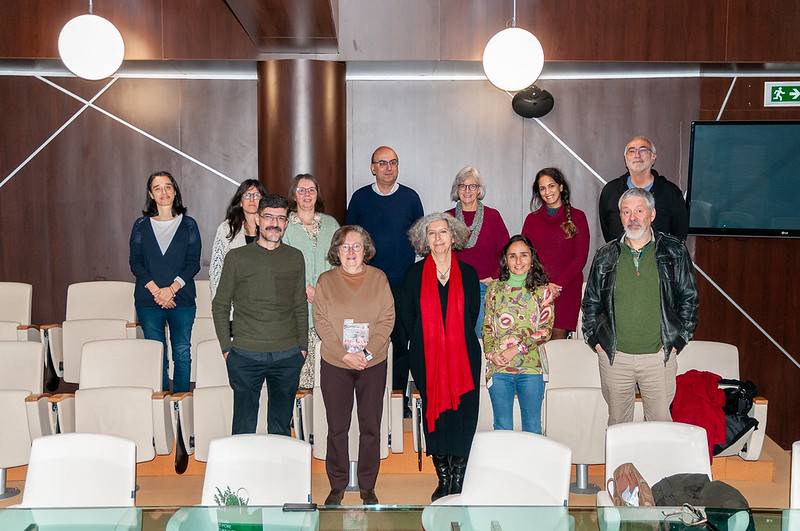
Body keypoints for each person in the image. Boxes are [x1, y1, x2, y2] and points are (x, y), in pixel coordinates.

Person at [582, 188, 698, 425]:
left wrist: (678, 342)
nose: (632, 217)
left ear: (652, 214)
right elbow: (591, 302)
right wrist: (596, 342)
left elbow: (689, 299)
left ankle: (656, 465)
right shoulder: (605, 255)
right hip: (616, 358)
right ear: (620, 217)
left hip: (659, 357)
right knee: (618, 426)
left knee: (660, 427)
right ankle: (620, 465)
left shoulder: (674, 251)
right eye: (626, 212)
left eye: (639, 210)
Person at [397, 213, 481, 502]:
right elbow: (407, 317)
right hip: (426, 354)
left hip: (464, 356)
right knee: (437, 412)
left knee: (463, 414)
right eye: (431, 233)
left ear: (453, 236)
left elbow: (471, 315)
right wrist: (429, 339)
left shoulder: (469, 274)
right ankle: (443, 478)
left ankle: (459, 477)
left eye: (442, 232)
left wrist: (451, 340)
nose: (437, 238)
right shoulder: (414, 275)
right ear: (424, 240)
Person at [211, 194, 307, 435]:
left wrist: (302, 347)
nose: (274, 223)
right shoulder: (237, 258)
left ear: (286, 222)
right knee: (243, 427)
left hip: (287, 355)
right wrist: (226, 348)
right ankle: (241, 473)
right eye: (268, 217)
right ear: (257, 219)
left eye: (281, 218)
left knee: (280, 427)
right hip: (245, 354)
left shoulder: (295, 257)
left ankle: (276, 472)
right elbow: (220, 304)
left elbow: (299, 304)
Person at [313, 226, 394, 506]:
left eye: (356, 246)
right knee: (337, 427)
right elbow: (321, 322)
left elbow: (387, 320)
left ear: (365, 250)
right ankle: (337, 485)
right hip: (336, 363)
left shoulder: (379, 279)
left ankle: (367, 485)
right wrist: (345, 354)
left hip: (373, 363)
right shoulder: (326, 280)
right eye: (345, 246)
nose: (350, 252)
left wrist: (367, 353)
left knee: (370, 426)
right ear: (336, 250)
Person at [347, 145, 424, 415]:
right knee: (369, 341)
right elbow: (350, 239)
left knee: (401, 342)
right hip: (368, 284)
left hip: (403, 283)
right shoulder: (359, 199)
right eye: (382, 163)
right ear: (373, 168)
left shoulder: (411, 198)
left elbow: (421, 239)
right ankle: (371, 401)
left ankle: (398, 400)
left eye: (393, 162)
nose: (388, 167)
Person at [129, 170, 201, 392]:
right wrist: (157, 292)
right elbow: (136, 263)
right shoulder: (141, 225)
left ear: (175, 191)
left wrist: (170, 290)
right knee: (157, 353)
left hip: (183, 299)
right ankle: (160, 404)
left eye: (168, 187)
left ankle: (181, 404)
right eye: (157, 188)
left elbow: (193, 263)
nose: (163, 192)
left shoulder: (189, 225)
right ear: (150, 194)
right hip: (149, 302)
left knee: (182, 352)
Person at [483, 235, 554, 434]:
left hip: (531, 367)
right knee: (502, 427)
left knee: (532, 427)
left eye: (524, 255)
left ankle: (531, 466)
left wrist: (516, 349)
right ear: (505, 260)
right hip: (499, 367)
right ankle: (505, 467)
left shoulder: (543, 291)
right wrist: (491, 354)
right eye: (512, 256)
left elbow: (545, 331)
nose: (518, 261)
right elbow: (487, 327)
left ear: (532, 259)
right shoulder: (494, 289)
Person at [283, 173, 340, 390]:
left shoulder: (331, 224)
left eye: (311, 190)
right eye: (301, 190)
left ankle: (319, 420)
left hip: (328, 306)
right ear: (294, 195)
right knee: (299, 374)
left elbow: (339, 261)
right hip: (296, 306)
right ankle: (299, 419)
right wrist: (306, 288)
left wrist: (324, 292)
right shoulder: (285, 225)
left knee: (325, 373)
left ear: (317, 195)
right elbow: (283, 262)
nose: (307, 194)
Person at [522, 168, 590, 339]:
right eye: (542, 188)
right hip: (538, 289)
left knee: (557, 349)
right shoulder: (532, 220)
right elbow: (525, 256)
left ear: (561, 187)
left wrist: (556, 286)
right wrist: (544, 285)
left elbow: (579, 259)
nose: (547, 192)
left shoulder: (578, 217)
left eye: (551, 186)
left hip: (566, 291)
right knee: (536, 347)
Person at [445, 166, 510, 337]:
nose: (467, 190)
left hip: (484, 289)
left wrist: (496, 277)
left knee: (481, 339)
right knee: (457, 340)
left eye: (472, 186)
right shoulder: (447, 218)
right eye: (462, 186)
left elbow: (506, 253)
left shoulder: (493, 217)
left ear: (479, 189)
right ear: (456, 189)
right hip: (455, 289)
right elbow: (439, 255)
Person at [598, 136, 688, 242]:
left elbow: (679, 235)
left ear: (653, 157)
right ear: (625, 159)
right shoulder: (610, 191)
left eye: (643, 150)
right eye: (631, 151)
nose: (637, 155)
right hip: (620, 258)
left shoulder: (671, 193)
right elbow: (607, 232)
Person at [209, 179, 268, 298]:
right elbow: (216, 269)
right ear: (240, 202)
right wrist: (218, 301)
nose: (252, 199)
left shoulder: (271, 228)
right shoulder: (227, 228)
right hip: (235, 301)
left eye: (256, 195)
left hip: (265, 300)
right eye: (247, 195)